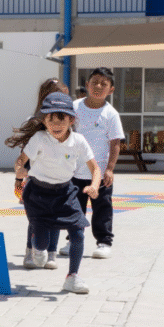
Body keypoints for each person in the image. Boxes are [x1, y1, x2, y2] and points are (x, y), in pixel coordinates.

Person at [8, 92, 101, 294]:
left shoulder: (78, 141)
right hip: (38, 194)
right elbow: (20, 161)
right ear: (44, 120)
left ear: (71, 120)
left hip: (65, 192)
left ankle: (72, 277)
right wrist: (19, 172)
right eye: (50, 119)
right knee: (41, 244)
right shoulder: (39, 138)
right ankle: (36, 247)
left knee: (78, 232)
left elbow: (96, 169)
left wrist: (94, 185)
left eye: (61, 119)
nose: (56, 124)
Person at [57, 68, 125, 260]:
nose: (98, 86)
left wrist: (110, 169)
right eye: (94, 82)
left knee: (102, 208)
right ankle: (73, 241)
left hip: (100, 173)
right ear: (87, 85)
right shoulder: (74, 108)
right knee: (73, 208)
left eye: (104, 84)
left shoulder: (111, 114)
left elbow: (115, 142)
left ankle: (104, 242)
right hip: (74, 171)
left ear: (111, 90)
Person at [10, 78, 70, 269]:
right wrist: (19, 179)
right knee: (36, 218)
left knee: (56, 217)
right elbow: (24, 154)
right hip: (36, 178)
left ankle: (51, 253)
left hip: (59, 177)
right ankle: (31, 251)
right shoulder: (34, 121)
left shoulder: (67, 120)